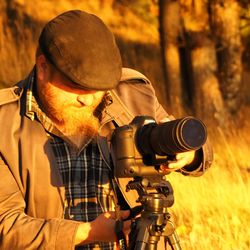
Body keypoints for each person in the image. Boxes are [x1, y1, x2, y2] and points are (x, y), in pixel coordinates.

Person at [0, 10, 213, 250]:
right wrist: (87, 233)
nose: (89, 100)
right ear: (42, 67)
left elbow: (189, 144)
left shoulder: (132, 93)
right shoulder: (4, 124)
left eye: (99, 88)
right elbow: (6, 227)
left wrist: (188, 154)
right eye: (78, 87)